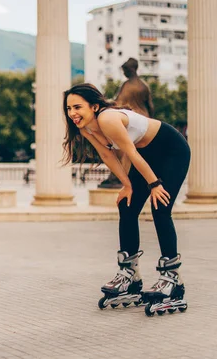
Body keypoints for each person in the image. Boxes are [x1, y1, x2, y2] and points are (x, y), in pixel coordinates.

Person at [63, 83, 189, 316]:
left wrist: (154, 184)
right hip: (146, 154)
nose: (72, 113)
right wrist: (127, 186)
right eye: (69, 108)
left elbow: (130, 153)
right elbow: (106, 154)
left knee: (160, 207)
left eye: (77, 107)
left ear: (94, 106)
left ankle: (172, 278)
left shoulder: (108, 119)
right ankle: (130, 276)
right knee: (127, 205)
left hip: (171, 150)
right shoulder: (85, 129)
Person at [98, 58, 154, 188]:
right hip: (144, 121)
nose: (124, 73)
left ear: (131, 69)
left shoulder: (127, 86)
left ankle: (118, 177)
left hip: (130, 121)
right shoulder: (144, 85)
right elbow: (150, 106)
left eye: (125, 70)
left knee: (120, 149)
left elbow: (118, 103)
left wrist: (104, 103)